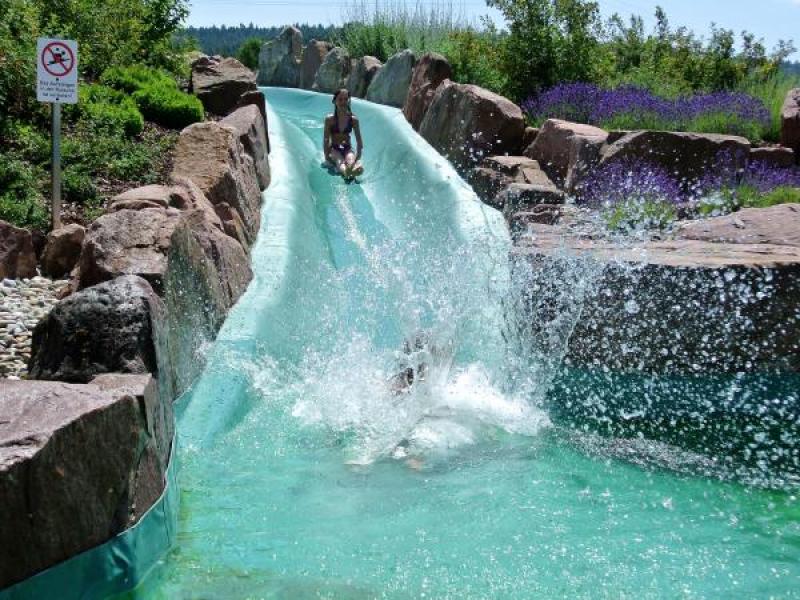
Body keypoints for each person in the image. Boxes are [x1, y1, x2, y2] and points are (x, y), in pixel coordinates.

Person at [323, 88, 364, 179]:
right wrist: (327, 156)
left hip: (347, 147)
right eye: (340, 99)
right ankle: (347, 172)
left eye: (346, 99)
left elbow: (359, 141)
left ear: (349, 102)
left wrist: (358, 157)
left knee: (350, 158)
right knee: (339, 161)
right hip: (334, 148)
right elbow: (326, 139)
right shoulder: (330, 119)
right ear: (334, 101)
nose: (343, 102)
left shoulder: (353, 120)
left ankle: (353, 168)